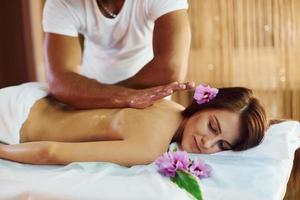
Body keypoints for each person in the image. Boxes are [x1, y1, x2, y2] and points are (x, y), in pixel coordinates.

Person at [0, 83, 267, 166]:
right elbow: (50, 153)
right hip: (14, 123)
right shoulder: (150, 148)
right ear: (204, 104)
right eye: (212, 126)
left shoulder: (164, 101)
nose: (207, 143)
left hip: (32, 95)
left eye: (223, 144)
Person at [43, 0, 192, 109]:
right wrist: (119, 97)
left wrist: (109, 96)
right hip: (90, 96)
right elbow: (59, 81)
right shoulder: (61, 3)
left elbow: (171, 68)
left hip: (148, 91)